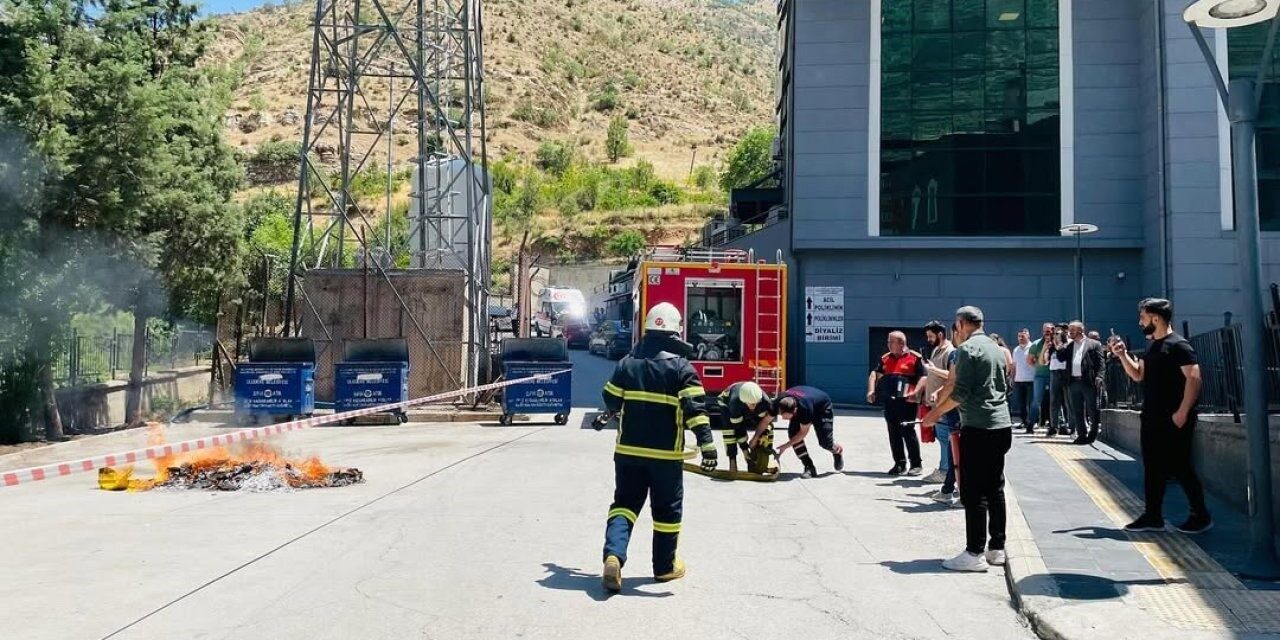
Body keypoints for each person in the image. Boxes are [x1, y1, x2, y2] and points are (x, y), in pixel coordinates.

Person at [600, 302, 717, 592]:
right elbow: (696, 412)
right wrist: (708, 447)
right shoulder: (682, 368)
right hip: (666, 457)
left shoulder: (627, 362)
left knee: (625, 506)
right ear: (676, 333)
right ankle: (664, 568)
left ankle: (614, 555)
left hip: (628, 453)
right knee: (667, 511)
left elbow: (610, 398)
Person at [923, 306, 1014, 572]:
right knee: (995, 487)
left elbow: (960, 392)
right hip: (1002, 425)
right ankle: (996, 548)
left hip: (978, 426)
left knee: (973, 492)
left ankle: (974, 552)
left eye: (956, 326)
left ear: (961, 324)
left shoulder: (966, 350)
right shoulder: (996, 347)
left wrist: (934, 414)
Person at [1112, 298, 1212, 534]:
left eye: (1143, 317)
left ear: (1155, 318)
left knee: (1180, 466)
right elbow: (1138, 375)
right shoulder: (1152, 345)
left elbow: (1194, 378)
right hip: (1151, 417)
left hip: (1174, 418)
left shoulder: (1179, 345)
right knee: (1153, 467)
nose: (1140, 322)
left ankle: (1201, 515)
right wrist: (1123, 356)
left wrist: (1182, 412)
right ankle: (1152, 516)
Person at [868, 331, 926, 476]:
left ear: (901, 343)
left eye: (891, 342)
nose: (888, 344)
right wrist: (871, 390)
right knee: (893, 433)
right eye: (888, 342)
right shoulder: (885, 359)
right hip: (890, 402)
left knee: (908, 432)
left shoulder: (915, 358)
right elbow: (874, 374)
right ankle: (899, 464)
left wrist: (916, 392)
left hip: (908, 402)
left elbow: (924, 377)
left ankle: (916, 464)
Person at [774, 385, 845, 478]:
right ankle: (809, 467)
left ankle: (837, 451)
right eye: (781, 415)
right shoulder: (780, 401)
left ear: (795, 411)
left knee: (825, 442)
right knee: (793, 434)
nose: (783, 419)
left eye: (786, 416)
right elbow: (766, 419)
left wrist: (785, 446)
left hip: (822, 408)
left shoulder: (805, 408)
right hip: (806, 403)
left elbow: (802, 434)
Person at [919, 321, 956, 484]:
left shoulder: (950, 352)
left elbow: (952, 376)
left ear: (940, 335)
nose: (928, 339)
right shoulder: (936, 350)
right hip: (936, 403)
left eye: (930, 336)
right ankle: (944, 468)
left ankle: (945, 471)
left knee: (946, 438)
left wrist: (932, 369)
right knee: (942, 438)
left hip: (944, 404)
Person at [716, 381, 774, 473]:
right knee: (729, 432)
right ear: (744, 401)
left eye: (755, 404)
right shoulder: (735, 403)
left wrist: (758, 438)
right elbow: (738, 428)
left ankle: (766, 460)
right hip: (726, 404)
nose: (753, 407)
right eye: (751, 404)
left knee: (768, 430)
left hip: (749, 403)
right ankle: (732, 462)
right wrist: (745, 450)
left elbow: (765, 423)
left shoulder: (765, 402)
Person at [1063, 321, 1105, 444]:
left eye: (1072, 330)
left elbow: (1101, 363)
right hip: (1073, 381)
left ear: (1081, 330)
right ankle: (1081, 434)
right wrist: (1059, 344)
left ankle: (1093, 433)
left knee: (1092, 408)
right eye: (1069, 330)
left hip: (1088, 381)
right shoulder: (1069, 346)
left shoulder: (1094, 344)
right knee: (1077, 410)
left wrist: (1100, 376)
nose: (1070, 332)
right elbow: (1061, 358)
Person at [1026, 323, 1055, 434]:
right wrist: (1038, 366)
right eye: (1046, 331)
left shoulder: (1056, 343)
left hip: (1054, 375)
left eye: (1050, 330)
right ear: (1042, 331)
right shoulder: (1036, 344)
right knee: (1036, 400)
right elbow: (1029, 360)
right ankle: (1031, 424)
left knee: (1055, 400)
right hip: (1040, 376)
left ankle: (1056, 424)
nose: (1048, 333)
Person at [1046, 324, 1071, 436]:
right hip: (1054, 372)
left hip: (1065, 372)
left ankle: (1068, 425)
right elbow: (1046, 361)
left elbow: (1062, 358)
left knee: (1067, 401)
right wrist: (1047, 348)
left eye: (1057, 333)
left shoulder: (1069, 344)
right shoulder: (1052, 346)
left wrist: (1059, 346)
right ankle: (1053, 426)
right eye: (1054, 333)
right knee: (1054, 401)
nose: (1055, 335)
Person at [1011, 329, 1036, 433]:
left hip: (1031, 379)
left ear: (1028, 336)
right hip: (1019, 379)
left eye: (1022, 336)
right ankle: (1024, 421)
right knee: (1022, 403)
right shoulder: (1016, 350)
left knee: (1031, 403)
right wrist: (1012, 378)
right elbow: (1014, 365)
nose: (1020, 338)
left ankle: (1032, 422)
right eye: (1019, 336)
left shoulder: (1033, 347)